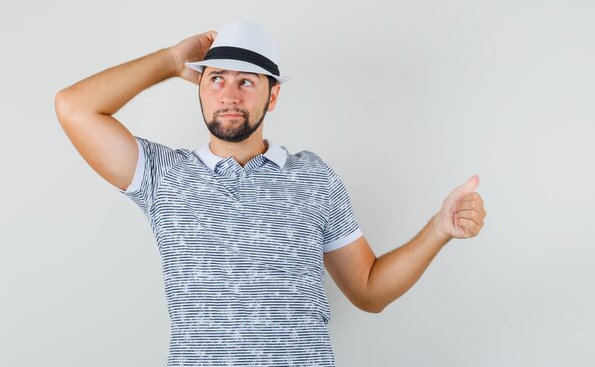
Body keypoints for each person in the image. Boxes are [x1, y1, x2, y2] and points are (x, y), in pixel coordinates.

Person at [55, 21, 487, 366]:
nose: (228, 94)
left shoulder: (314, 177)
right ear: (200, 88)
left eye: (247, 82)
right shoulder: (163, 175)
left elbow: (369, 291)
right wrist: (170, 61)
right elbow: (73, 107)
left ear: (272, 96)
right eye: (217, 79)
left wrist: (439, 229)